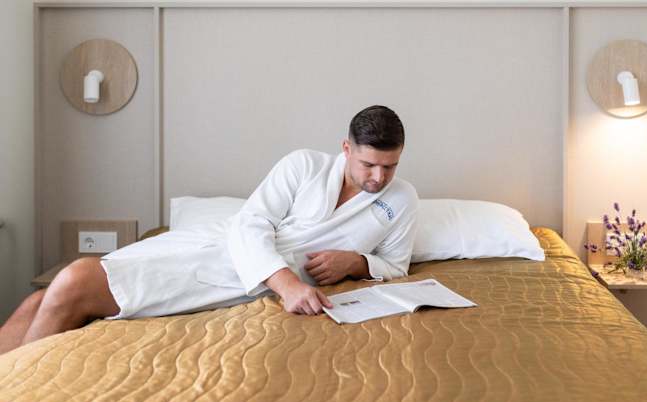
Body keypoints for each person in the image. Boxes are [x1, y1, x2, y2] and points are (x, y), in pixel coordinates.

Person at [0, 105, 418, 355]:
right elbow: (251, 224)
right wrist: (288, 286)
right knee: (41, 298)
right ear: (346, 148)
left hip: (238, 278)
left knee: (75, 281)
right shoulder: (304, 165)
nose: (379, 177)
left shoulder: (402, 199)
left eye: (390, 166)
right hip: (231, 248)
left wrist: (356, 262)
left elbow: (396, 265)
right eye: (369, 164)